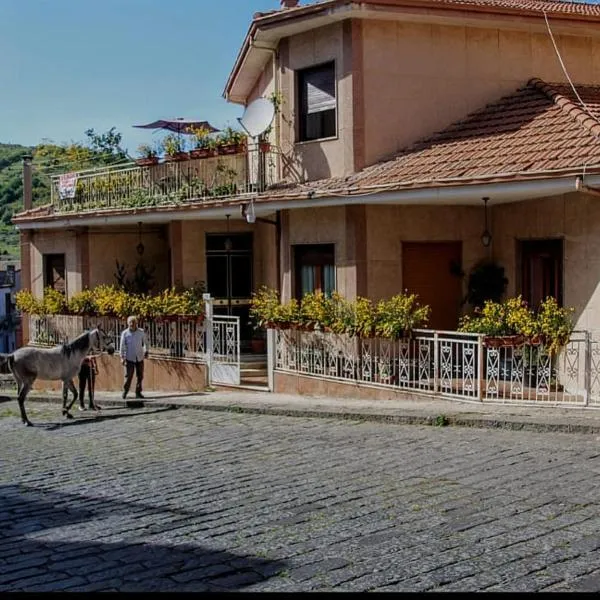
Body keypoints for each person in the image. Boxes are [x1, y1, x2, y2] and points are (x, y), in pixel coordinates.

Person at [120, 315, 148, 399]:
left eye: (133, 322)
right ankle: (125, 391)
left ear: (136, 323)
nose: (132, 324)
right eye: (130, 323)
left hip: (139, 357)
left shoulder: (141, 332)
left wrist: (146, 351)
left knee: (140, 376)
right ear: (128, 323)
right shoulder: (125, 333)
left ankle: (138, 392)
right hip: (129, 357)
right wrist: (122, 357)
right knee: (128, 376)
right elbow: (122, 346)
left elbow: (146, 343)